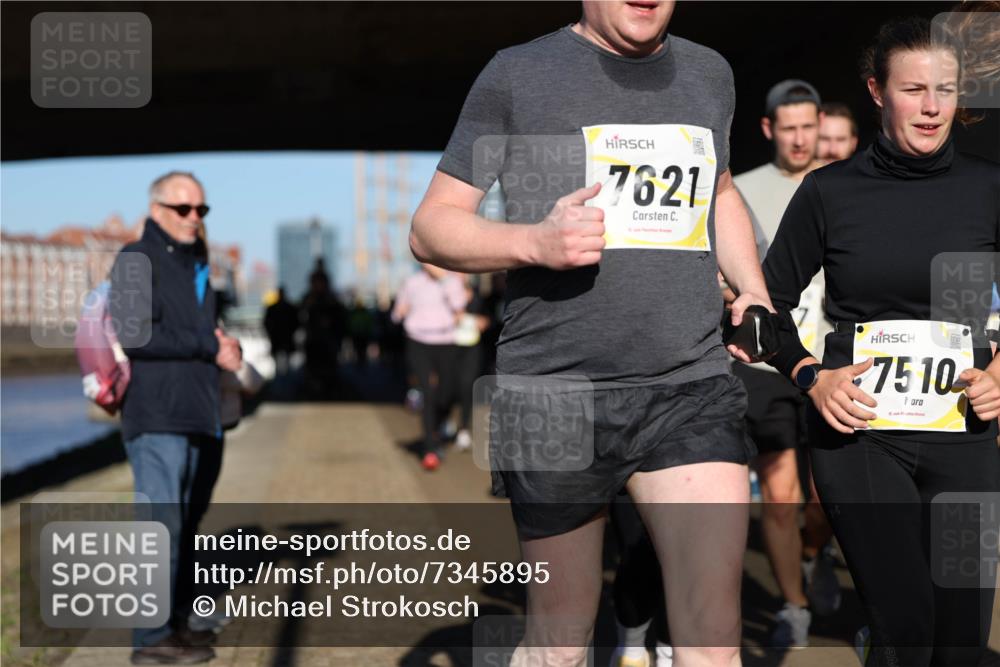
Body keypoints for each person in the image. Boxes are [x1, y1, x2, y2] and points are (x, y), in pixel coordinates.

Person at [411, 1, 774, 664]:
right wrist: (533, 241)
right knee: (560, 639)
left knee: (712, 637)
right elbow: (430, 226)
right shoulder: (516, 75)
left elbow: (718, 190)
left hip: (688, 384)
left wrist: (751, 284)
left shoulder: (708, 73)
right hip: (553, 393)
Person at [762, 16, 1000, 666]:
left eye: (945, 90)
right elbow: (765, 304)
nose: (931, 107)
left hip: (966, 433)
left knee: (962, 636)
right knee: (907, 624)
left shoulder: (987, 187)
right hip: (863, 434)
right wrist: (812, 375)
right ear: (876, 90)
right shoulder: (830, 192)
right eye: (913, 88)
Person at [109, 171, 242, 665]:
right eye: (184, 209)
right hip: (158, 416)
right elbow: (135, 335)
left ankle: (180, 625)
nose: (194, 218)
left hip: (201, 413)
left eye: (201, 210)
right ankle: (149, 641)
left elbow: (201, 332)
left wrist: (227, 346)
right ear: (157, 210)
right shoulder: (134, 260)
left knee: (186, 525)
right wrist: (211, 345)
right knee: (159, 530)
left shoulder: (196, 262)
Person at [732, 79, 837, 647]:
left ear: (821, 125)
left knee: (825, 496)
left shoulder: (844, 184)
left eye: (808, 127)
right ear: (770, 130)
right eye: (788, 128)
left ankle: (814, 553)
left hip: (837, 363)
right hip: (769, 368)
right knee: (779, 493)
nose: (799, 139)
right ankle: (793, 607)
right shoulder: (741, 193)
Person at [392, 264, 468, 470]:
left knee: (447, 393)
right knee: (428, 392)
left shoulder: (452, 281)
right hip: (418, 341)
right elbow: (396, 314)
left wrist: (444, 280)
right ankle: (430, 448)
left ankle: (438, 426)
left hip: (446, 341)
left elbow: (460, 305)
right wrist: (400, 311)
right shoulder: (412, 283)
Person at [263, 286, 299, 375]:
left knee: (286, 366)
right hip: (280, 340)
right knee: (283, 366)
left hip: (282, 339)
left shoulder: (274, 308)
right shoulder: (289, 308)